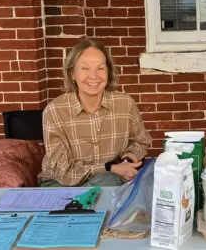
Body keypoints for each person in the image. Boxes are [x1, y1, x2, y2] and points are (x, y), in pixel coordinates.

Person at [38, 39, 152, 187]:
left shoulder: (125, 104)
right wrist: (110, 168)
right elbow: (64, 172)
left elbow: (140, 141)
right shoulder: (54, 111)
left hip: (111, 179)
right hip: (60, 183)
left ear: (108, 72)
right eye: (85, 68)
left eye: (100, 68)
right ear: (72, 73)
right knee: (109, 182)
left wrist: (128, 161)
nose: (94, 76)